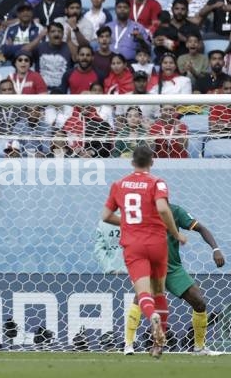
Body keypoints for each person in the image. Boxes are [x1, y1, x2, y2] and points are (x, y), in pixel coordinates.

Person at [100, 145, 188, 358]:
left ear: (132, 162)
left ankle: (153, 318)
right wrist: (176, 234)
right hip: (158, 244)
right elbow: (163, 209)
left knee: (144, 294)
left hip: (134, 245)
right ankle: (159, 345)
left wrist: (130, 222)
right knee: (159, 292)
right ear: (152, 161)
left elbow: (105, 216)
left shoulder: (118, 184)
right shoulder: (157, 182)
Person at [123, 203, 225, 355]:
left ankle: (199, 348)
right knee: (140, 297)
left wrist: (216, 249)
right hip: (150, 265)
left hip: (173, 268)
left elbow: (201, 228)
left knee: (199, 302)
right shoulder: (141, 212)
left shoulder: (175, 211)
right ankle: (128, 344)